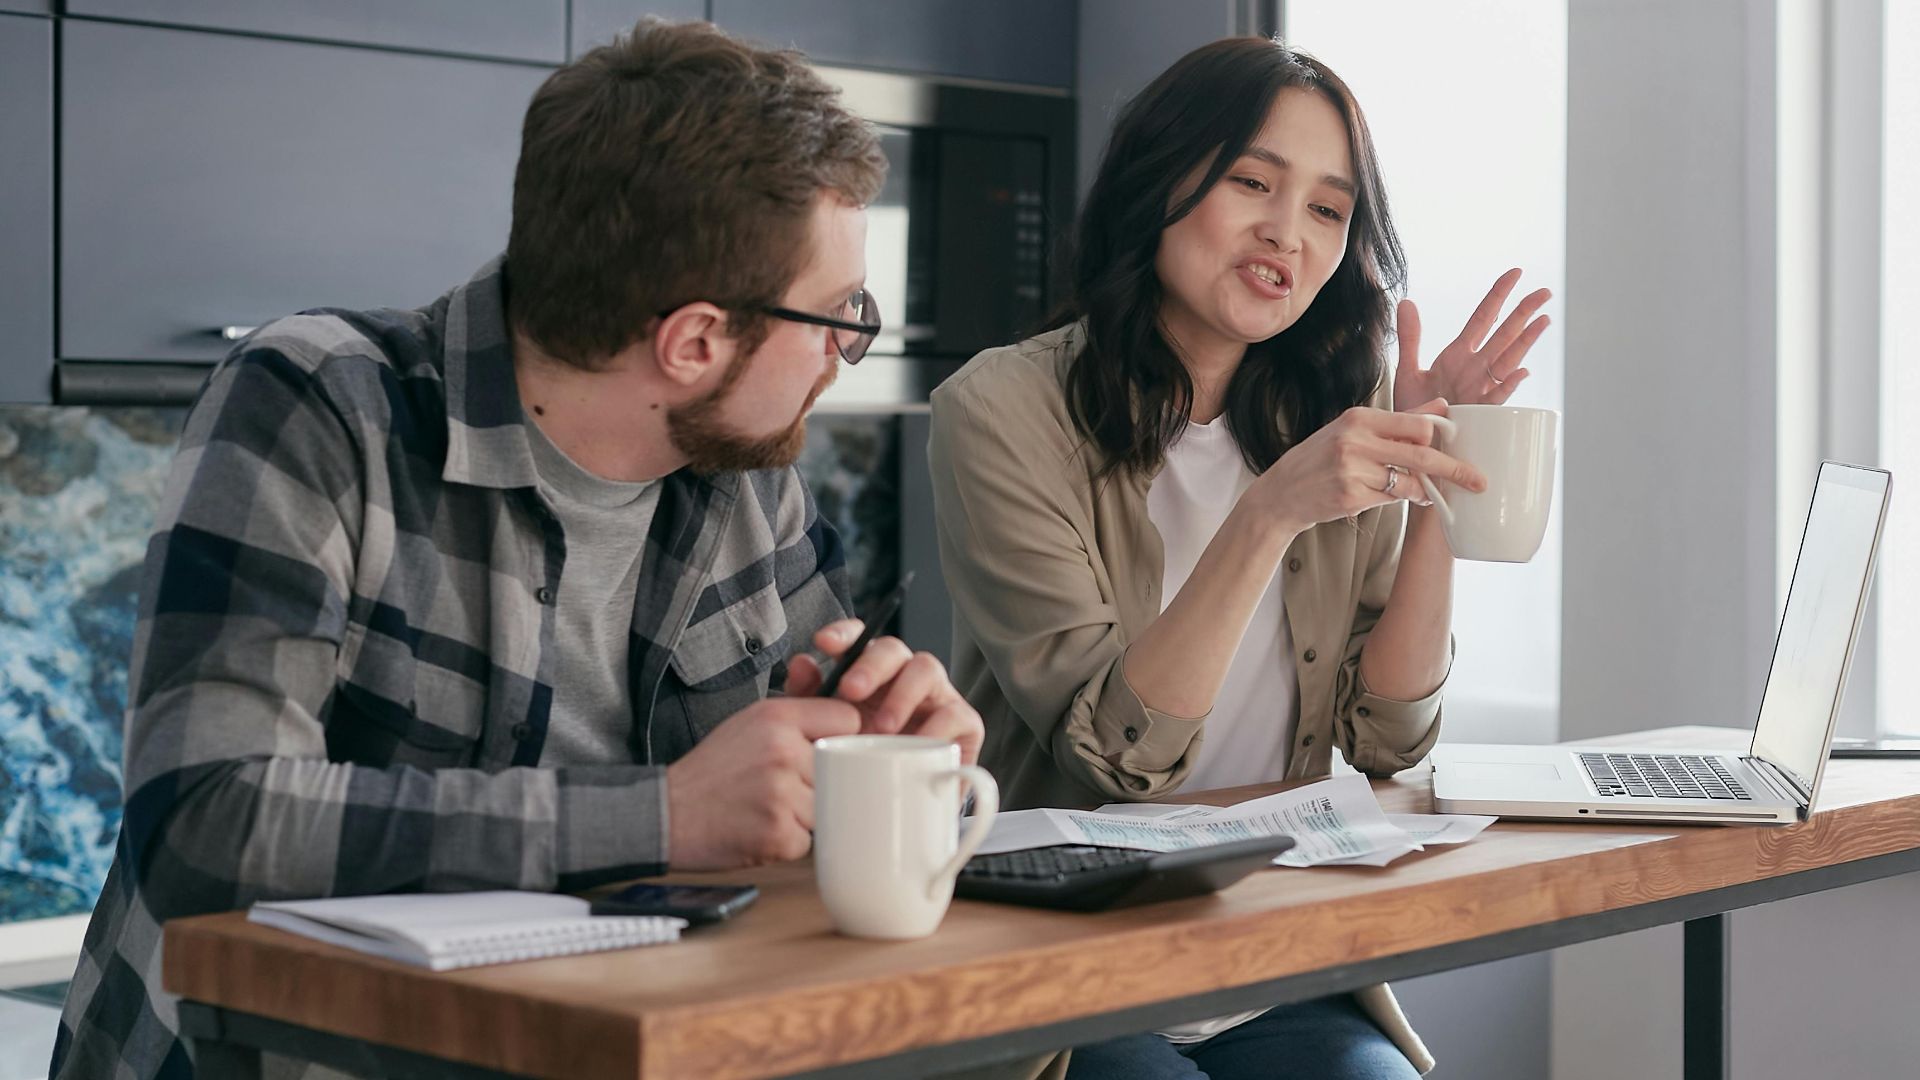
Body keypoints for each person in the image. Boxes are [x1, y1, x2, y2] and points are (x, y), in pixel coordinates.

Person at [52, 20, 1026, 1080]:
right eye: (837, 314)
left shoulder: (745, 467)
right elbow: (205, 820)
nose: (846, 348)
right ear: (694, 341)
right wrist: (661, 817)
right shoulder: (321, 403)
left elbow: (793, 765)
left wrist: (886, 739)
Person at [927, 36, 1552, 1080]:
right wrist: (1267, 515)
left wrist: (1438, 465)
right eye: (1252, 181)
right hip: (1073, 977)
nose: (1286, 233)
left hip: (1270, 959)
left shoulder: (1335, 418)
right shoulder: (998, 412)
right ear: (1157, 180)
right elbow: (1114, 757)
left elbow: (1390, 737)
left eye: (1326, 209)